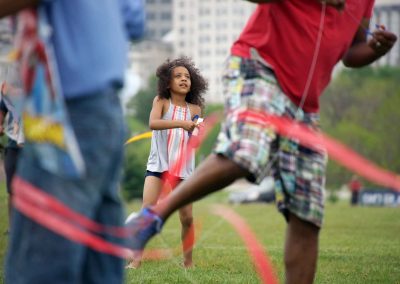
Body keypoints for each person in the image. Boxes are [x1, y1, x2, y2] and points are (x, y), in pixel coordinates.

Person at [126, 1, 397, 283]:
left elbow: (353, 52)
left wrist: (376, 48)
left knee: (307, 212)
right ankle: (152, 217)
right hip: (259, 67)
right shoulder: (162, 101)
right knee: (247, 150)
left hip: (305, 104)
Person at [0, 0, 145, 283]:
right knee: (97, 271)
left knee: (38, 269)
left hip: (66, 113)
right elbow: (134, 20)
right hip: (104, 110)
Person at [126, 57, 207, 269]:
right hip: (158, 165)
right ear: (167, 83)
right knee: (147, 211)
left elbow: (195, 139)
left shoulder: (195, 109)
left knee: (187, 217)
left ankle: (188, 262)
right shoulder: (160, 101)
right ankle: (136, 260)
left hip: (183, 169)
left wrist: (198, 133)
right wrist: (182, 124)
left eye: (187, 77)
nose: (183, 79)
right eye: (178, 76)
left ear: (193, 83)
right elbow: (153, 123)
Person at [0, 80, 24, 235]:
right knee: (12, 189)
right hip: (13, 146)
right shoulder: (7, 92)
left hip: (36, 148)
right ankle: (13, 227)